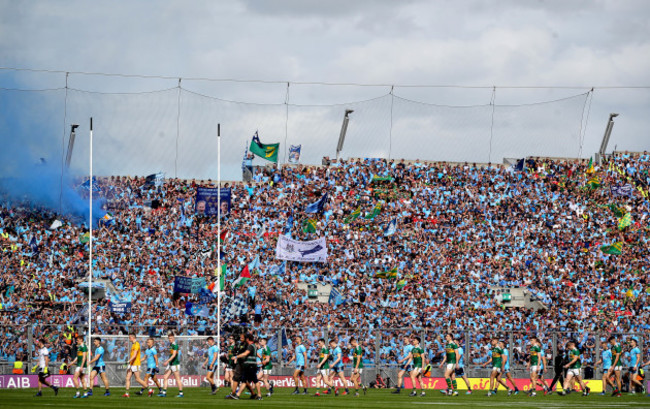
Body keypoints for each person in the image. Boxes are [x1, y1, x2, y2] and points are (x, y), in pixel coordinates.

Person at [229, 333, 261, 400]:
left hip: (250, 365)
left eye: (243, 338)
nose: (242, 339)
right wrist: (261, 358)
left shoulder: (250, 346)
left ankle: (258, 395)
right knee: (245, 380)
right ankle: (238, 395)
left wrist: (236, 357)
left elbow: (245, 353)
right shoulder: (253, 345)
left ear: (247, 339)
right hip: (250, 365)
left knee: (254, 380)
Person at [160, 332, 184, 397]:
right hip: (171, 364)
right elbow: (171, 353)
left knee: (177, 379)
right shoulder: (171, 345)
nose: (170, 339)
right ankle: (164, 393)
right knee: (165, 377)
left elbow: (174, 355)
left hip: (175, 364)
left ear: (173, 338)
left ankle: (181, 393)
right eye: (169, 338)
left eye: (171, 338)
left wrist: (167, 361)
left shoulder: (175, 345)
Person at [123, 333, 147, 398]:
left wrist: (128, 361)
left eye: (129, 337)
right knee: (127, 378)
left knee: (138, 379)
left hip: (135, 364)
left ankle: (150, 389)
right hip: (132, 364)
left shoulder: (136, 344)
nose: (129, 338)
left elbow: (134, 355)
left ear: (132, 337)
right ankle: (127, 393)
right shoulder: (133, 344)